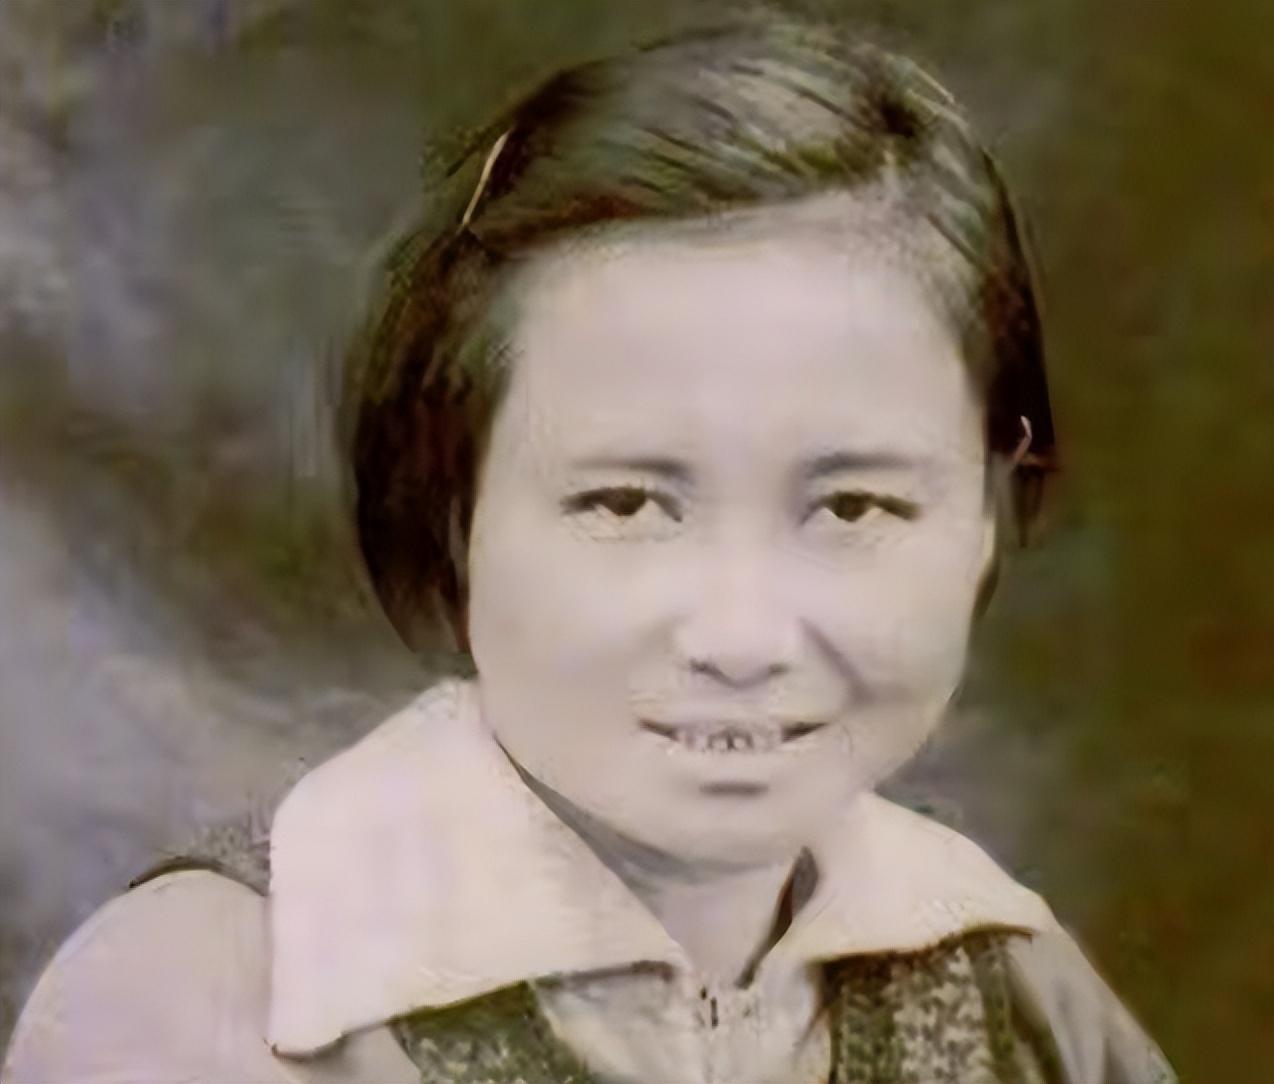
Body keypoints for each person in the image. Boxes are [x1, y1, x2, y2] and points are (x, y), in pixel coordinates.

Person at [3, 14, 1177, 1083]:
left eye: (851, 508)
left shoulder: (1024, 999)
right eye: (625, 504)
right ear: (453, 508)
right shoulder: (197, 1007)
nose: (740, 636)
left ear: (986, 512)